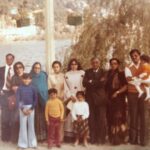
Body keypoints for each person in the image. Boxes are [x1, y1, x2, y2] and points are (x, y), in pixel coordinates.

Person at [83, 57, 107, 144]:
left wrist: (91, 82)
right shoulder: (87, 71)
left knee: (101, 119)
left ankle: (101, 139)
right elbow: (84, 83)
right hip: (90, 99)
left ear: (99, 63)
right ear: (91, 63)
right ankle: (93, 139)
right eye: (93, 62)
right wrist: (96, 82)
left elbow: (103, 83)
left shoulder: (104, 72)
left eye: (96, 62)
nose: (95, 64)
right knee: (91, 119)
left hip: (101, 99)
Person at [125, 49, 146, 146]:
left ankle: (143, 140)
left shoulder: (145, 65)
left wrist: (137, 78)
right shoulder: (128, 67)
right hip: (132, 93)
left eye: (136, 55)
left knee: (143, 117)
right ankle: (133, 140)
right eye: (132, 56)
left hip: (144, 94)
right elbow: (129, 80)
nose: (134, 57)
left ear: (139, 55)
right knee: (133, 116)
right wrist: (141, 79)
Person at [105, 58, 127, 145]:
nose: (113, 65)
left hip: (119, 98)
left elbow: (126, 86)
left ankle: (121, 138)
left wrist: (117, 92)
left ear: (118, 64)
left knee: (119, 118)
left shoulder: (121, 73)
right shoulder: (108, 74)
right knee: (111, 118)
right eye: (112, 64)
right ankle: (113, 138)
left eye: (115, 63)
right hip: (110, 99)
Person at [64, 58, 85, 141]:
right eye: (72, 64)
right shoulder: (66, 74)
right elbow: (65, 87)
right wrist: (70, 96)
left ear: (78, 65)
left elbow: (84, 85)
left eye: (75, 64)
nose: (74, 66)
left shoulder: (82, 73)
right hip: (72, 97)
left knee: (80, 115)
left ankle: (81, 136)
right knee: (71, 115)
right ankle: (70, 137)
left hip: (81, 96)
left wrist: (81, 96)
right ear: (70, 65)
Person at [17, 73, 37, 149]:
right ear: (22, 79)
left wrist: (31, 109)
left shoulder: (33, 88)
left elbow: (35, 99)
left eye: (28, 79)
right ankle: (22, 144)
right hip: (22, 108)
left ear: (31, 80)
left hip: (31, 108)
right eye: (25, 79)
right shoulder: (20, 88)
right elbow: (18, 100)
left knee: (31, 125)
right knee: (23, 126)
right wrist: (22, 109)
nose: (26, 80)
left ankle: (32, 143)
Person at [30, 62, 48, 142]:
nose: (37, 69)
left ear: (40, 68)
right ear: (33, 68)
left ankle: (44, 137)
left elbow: (44, 86)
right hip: (34, 100)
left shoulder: (44, 75)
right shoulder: (31, 76)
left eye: (38, 68)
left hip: (44, 99)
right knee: (36, 118)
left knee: (43, 118)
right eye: (35, 68)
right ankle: (36, 137)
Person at [48, 61, 64, 141]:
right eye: (54, 67)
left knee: (60, 119)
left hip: (61, 99)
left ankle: (60, 139)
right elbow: (49, 88)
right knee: (53, 120)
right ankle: (53, 138)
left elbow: (64, 88)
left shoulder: (63, 76)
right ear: (52, 68)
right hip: (53, 99)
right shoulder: (50, 76)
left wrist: (61, 97)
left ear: (60, 67)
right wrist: (53, 97)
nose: (56, 68)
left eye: (57, 66)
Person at [0, 53, 15, 142]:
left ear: (13, 59)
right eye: (7, 59)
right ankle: (5, 137)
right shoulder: (1, 69)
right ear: (5, 59)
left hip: (13, 93)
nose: (9, 60)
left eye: (11, 59)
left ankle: (13, 136)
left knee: (12, 115)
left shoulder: (16, 70)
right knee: (5, 116)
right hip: (4, 93)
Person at [10, 61, 25, 143]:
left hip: (27, 101)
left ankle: (24, 139)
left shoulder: (26, 76)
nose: (19, 69)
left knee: (25, 120)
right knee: (16, 120)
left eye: (20, 67)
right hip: (17, 101)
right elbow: (14, 89)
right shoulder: (14, 77)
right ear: (15, 70)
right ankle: (16, 139)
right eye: (17, 68)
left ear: (23, 68)